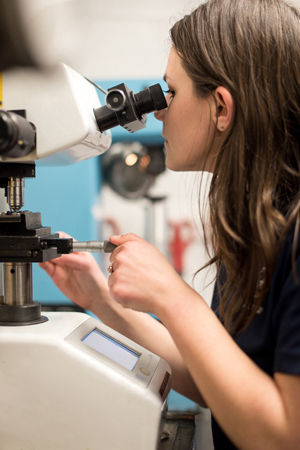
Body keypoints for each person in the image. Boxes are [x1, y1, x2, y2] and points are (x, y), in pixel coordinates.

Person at [39, 0, 300, 448]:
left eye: (171, 93)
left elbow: (285, 435)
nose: (158, 111)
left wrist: (173, 297)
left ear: (221, 107)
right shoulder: (259, 224)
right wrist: (100, 300)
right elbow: (216, 381)